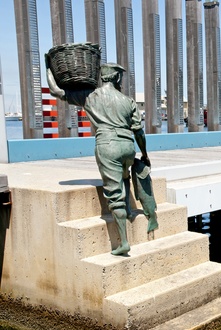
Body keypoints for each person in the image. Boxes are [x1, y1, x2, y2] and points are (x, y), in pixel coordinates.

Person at [46, 59, 151, 256]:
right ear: (118, 77)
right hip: (128, 146)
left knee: (114, 194)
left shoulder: (90, 97)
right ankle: (128, 211)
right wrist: (144, 154)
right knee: (124, 175)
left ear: (101, 77)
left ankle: (123, 243)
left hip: (107, 145)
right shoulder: (128, 101)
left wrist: (48, 67)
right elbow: (139, 132)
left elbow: (55, 91)